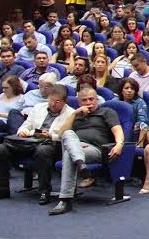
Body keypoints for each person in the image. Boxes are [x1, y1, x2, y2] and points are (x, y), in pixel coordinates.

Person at [0, 84, 72, 205]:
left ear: (64, 102)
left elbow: (67, 135)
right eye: (51, 100)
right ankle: (1, 189)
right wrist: (23, 131)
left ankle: (44, 191)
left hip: (53, 144)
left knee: (42, 151)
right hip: (30, 140)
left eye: (57, 101)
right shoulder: (39, 107)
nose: (53, 104)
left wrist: (50, 135)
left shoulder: (70, 113)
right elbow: (26, 124)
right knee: (1, 149)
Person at [48, 86, 124, 215]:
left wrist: (119, 144)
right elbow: (60, 134)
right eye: (84, 100)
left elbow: (117, 130)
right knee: (67, 134)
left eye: (91, 99)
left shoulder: (106, 112)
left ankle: (65, 200)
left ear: (97, 100)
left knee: (69, 154)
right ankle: (80, 162)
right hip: (76, 147)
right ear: (79, 103)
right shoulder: (75, 115)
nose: (88, 103)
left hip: (95, 150)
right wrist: (74, 114)